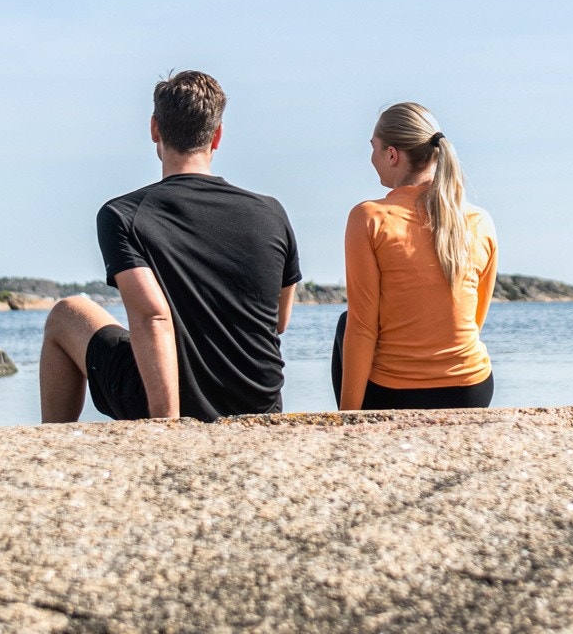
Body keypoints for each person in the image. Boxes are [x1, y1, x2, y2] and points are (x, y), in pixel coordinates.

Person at [40, 70, 300, 424]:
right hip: (260, 408)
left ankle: (54, 449)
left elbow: (152, 316)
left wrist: (168, 428)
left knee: (66, 314)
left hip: (171, 407)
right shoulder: (271, 212)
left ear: (154, 130)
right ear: (217, 135)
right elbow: (279, 321)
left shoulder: (123, 215)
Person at [333, 102, 497, 412]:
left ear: (392, 154)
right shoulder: (480, 220)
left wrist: (349, 419)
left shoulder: (368, 217)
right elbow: (474, 320)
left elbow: (362, 326)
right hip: (471, 388)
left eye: (374, 149)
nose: (371, 158)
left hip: (396, 393)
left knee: (347, 323)